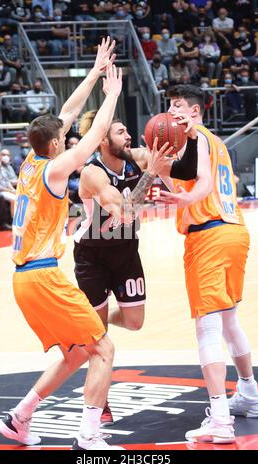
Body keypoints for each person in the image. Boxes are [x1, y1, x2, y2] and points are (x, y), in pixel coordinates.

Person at [0, 38, 127, 451]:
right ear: (55, 145)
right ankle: (89, 435)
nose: (67, 139)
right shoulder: (55, 170)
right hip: (44, 276)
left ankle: (19, 419)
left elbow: (66, 115)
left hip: (24, 278)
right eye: (63, 139)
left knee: (75, 353)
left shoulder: (30, 161)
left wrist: (94, 70)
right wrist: (112, 95)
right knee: (102, 349)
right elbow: (93, 137)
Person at [73, 108, 199, 425]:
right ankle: (98, 403)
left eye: (127, 131)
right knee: (99, 342)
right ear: (102, 140)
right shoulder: (93, 173)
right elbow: (126, 213)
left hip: (127, 250)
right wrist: (152, 173)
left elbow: (187, 170)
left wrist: (191, 137)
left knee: (134, 321)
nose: (128, 135)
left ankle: (96, 321)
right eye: (120, 132)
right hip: (92, 257)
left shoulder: (139, 156)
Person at [156, 84, 258, 444]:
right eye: (170, 107)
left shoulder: (198, 138)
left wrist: (186, 195)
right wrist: (163, 173)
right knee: (229, 318)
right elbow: (201, 179)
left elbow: (201, 184)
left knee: (208, 327)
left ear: (195, 111)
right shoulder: (211, 141)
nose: (172, 113)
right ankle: (249, 394)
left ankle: (220, 418)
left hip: (210, 236)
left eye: (177, 107)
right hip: (234, 232)